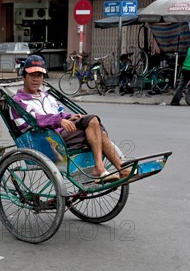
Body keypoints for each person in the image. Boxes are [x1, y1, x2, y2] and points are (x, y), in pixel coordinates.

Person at [12, 55, 129, 183]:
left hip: (61, 133)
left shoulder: (46, 96)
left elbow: (59, 112)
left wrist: (68, 117)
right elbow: (32, 120)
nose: (36, 79)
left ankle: (110, 169)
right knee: (97, 130)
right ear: (24, 76)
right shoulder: (18, 101)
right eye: (32, 75)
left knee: (93, 122)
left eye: (39, 75)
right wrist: (58, 120)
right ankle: (106, 168)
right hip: (47, 139)